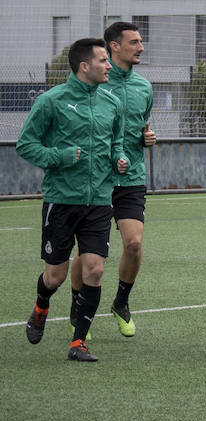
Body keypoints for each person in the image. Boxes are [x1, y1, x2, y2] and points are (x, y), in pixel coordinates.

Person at [19, 37, 128, 361]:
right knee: (56, 276)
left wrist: (118, 158)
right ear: (84, 66)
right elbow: (26, 145)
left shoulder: (111, 102)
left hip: (99, 199)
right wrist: (60, 156)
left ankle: (78, 342)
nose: (109, 66)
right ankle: (41, 305)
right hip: (62, 200)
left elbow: (116, 141)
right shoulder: (51, 101)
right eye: (103, 61)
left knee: (94, 270)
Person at [68, 22, 155, 339]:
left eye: (141, 41)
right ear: (114, 46)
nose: (141, 47)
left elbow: (143, 126)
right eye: (134, 41)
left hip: (131, 175)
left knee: (133, 244)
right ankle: (79, 309)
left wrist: (147, 137)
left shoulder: (144, 88)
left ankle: (121, 302)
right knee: (88, 253)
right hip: (97, 179)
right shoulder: (95, 84)